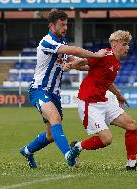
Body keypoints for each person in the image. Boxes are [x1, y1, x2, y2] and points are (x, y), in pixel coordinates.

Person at [19, 9, 107, 168]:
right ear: (52, 25)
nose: (65, 27)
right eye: (61, 24)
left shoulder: (62, 42)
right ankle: (69, 156)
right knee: (55, 119)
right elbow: (74, 50)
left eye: (66, 24)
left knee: (51, 135)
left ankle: (26, 151)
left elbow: (77, 62)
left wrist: (99, 66)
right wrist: (96, 55)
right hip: (39, 90)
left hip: (54, 94)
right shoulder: (47, 42)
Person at [66, 30, 137, 171]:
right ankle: (77, 147)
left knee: (132, 125)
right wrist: (70, 65)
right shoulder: (104, 55)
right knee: (106, 139)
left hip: (104, 101)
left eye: (128, 44)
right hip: (89, 102)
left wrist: (119, 95)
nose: (127, 47)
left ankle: (132, 164)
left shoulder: (116, 62)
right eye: (124, 44)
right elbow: (83, 61)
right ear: (115, 45)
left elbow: (106, 82)